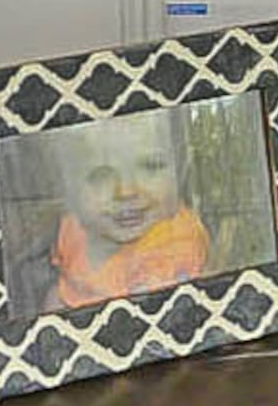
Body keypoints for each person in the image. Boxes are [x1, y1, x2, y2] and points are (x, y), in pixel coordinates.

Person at [35, 107, 214, 313]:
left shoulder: (174, 249)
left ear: (182, 171)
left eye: (150, 166)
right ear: (69, 191)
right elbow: (66, 284)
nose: (127, 191)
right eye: (101, 175)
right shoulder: (74, 227)